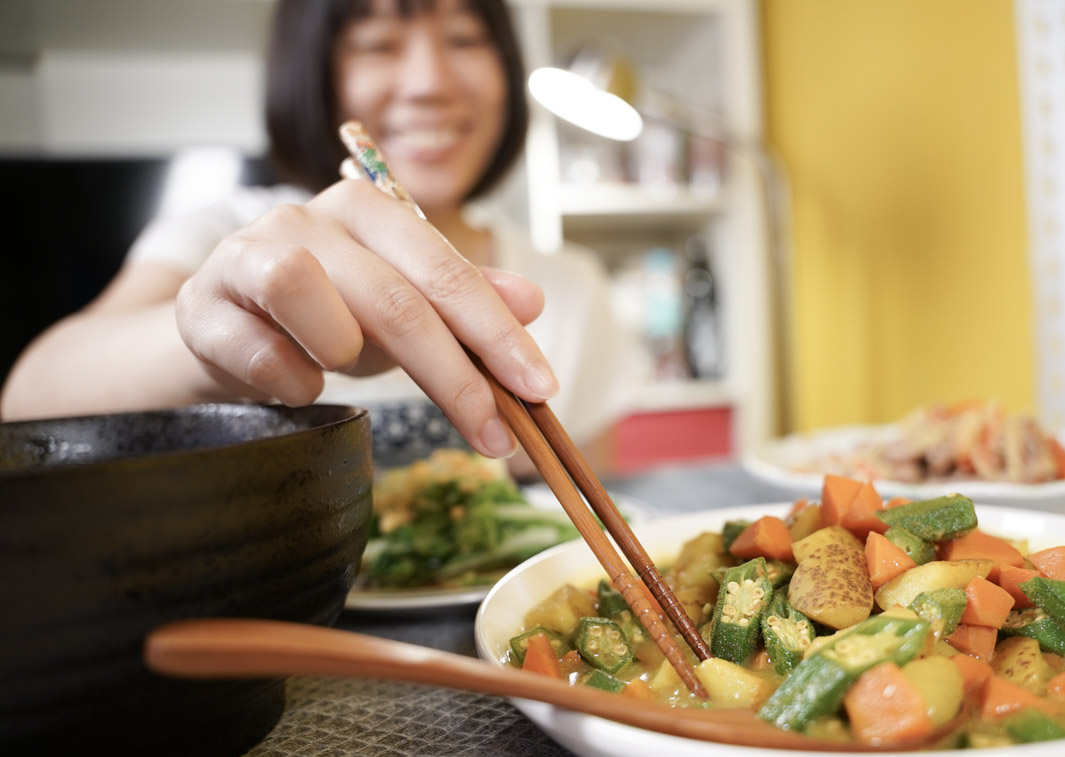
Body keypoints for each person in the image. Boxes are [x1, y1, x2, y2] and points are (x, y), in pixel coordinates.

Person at [0, 0, 644, 471]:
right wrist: (209, 337)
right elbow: (27, 404)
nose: (430, 83)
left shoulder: (569, 287)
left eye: (465, 38)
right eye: (377, 43)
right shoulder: (228, 234)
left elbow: (582, 541)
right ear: (318, 74)